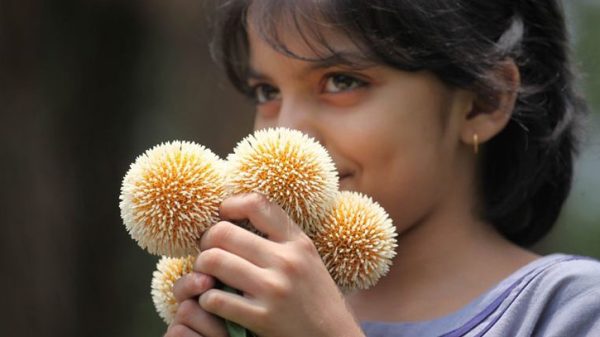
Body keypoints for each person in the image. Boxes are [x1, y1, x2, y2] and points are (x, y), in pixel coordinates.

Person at [165, 1, 600, 336]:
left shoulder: (570, 308)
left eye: (342, 81)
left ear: (483, 102)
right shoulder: (247, 307)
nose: (287, 132)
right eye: (266, 91)